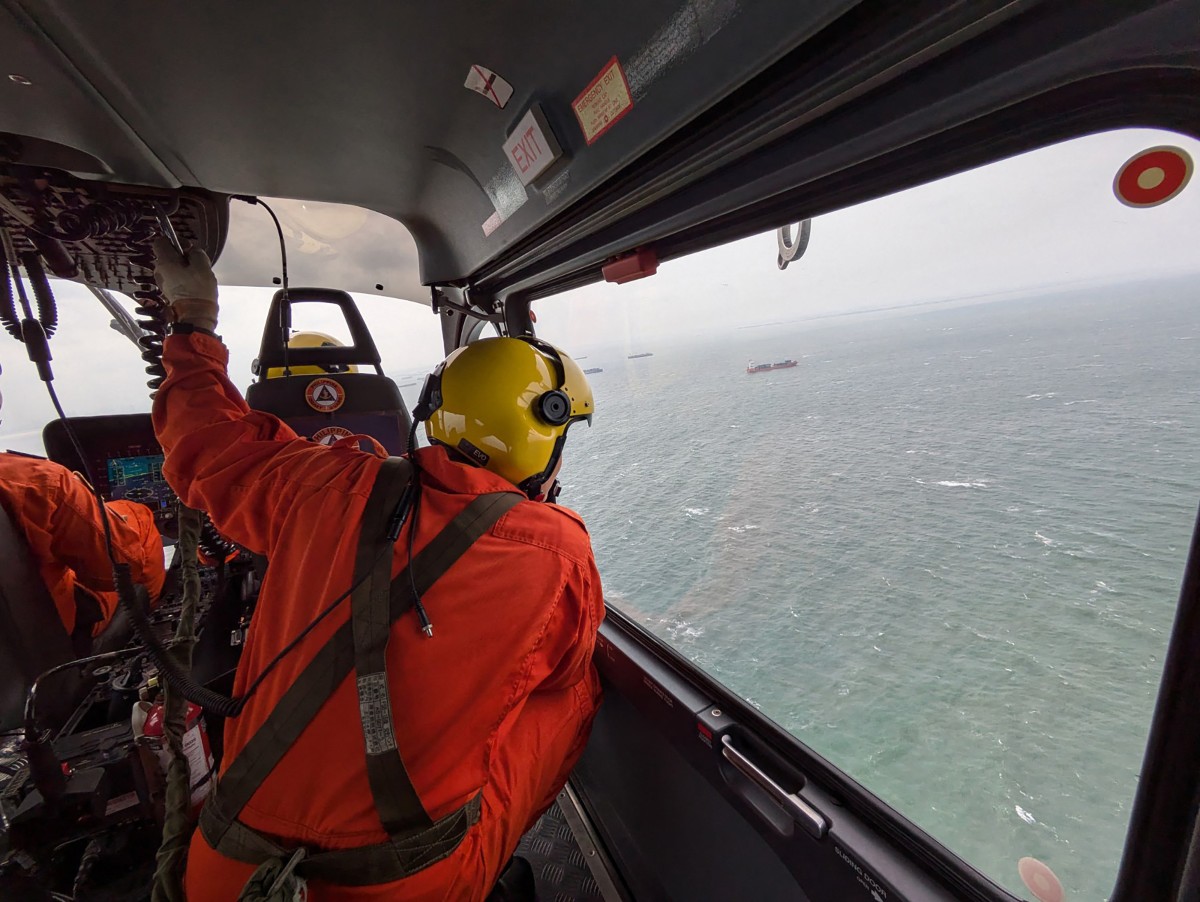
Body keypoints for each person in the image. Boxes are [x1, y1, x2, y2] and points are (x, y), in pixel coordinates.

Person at [150, 238, 604, 901]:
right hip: (397, 888)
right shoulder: (557, 551)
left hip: (225, 874)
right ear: (545, 435)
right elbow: (561, 669)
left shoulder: (315, 480)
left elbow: (203, 441)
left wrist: (193, 317)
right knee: (574, 691)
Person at [0, 363, 166, 651]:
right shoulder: (38, 483)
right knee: (135, 520)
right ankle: (152, 634)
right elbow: (120, 568)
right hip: (54, 641)